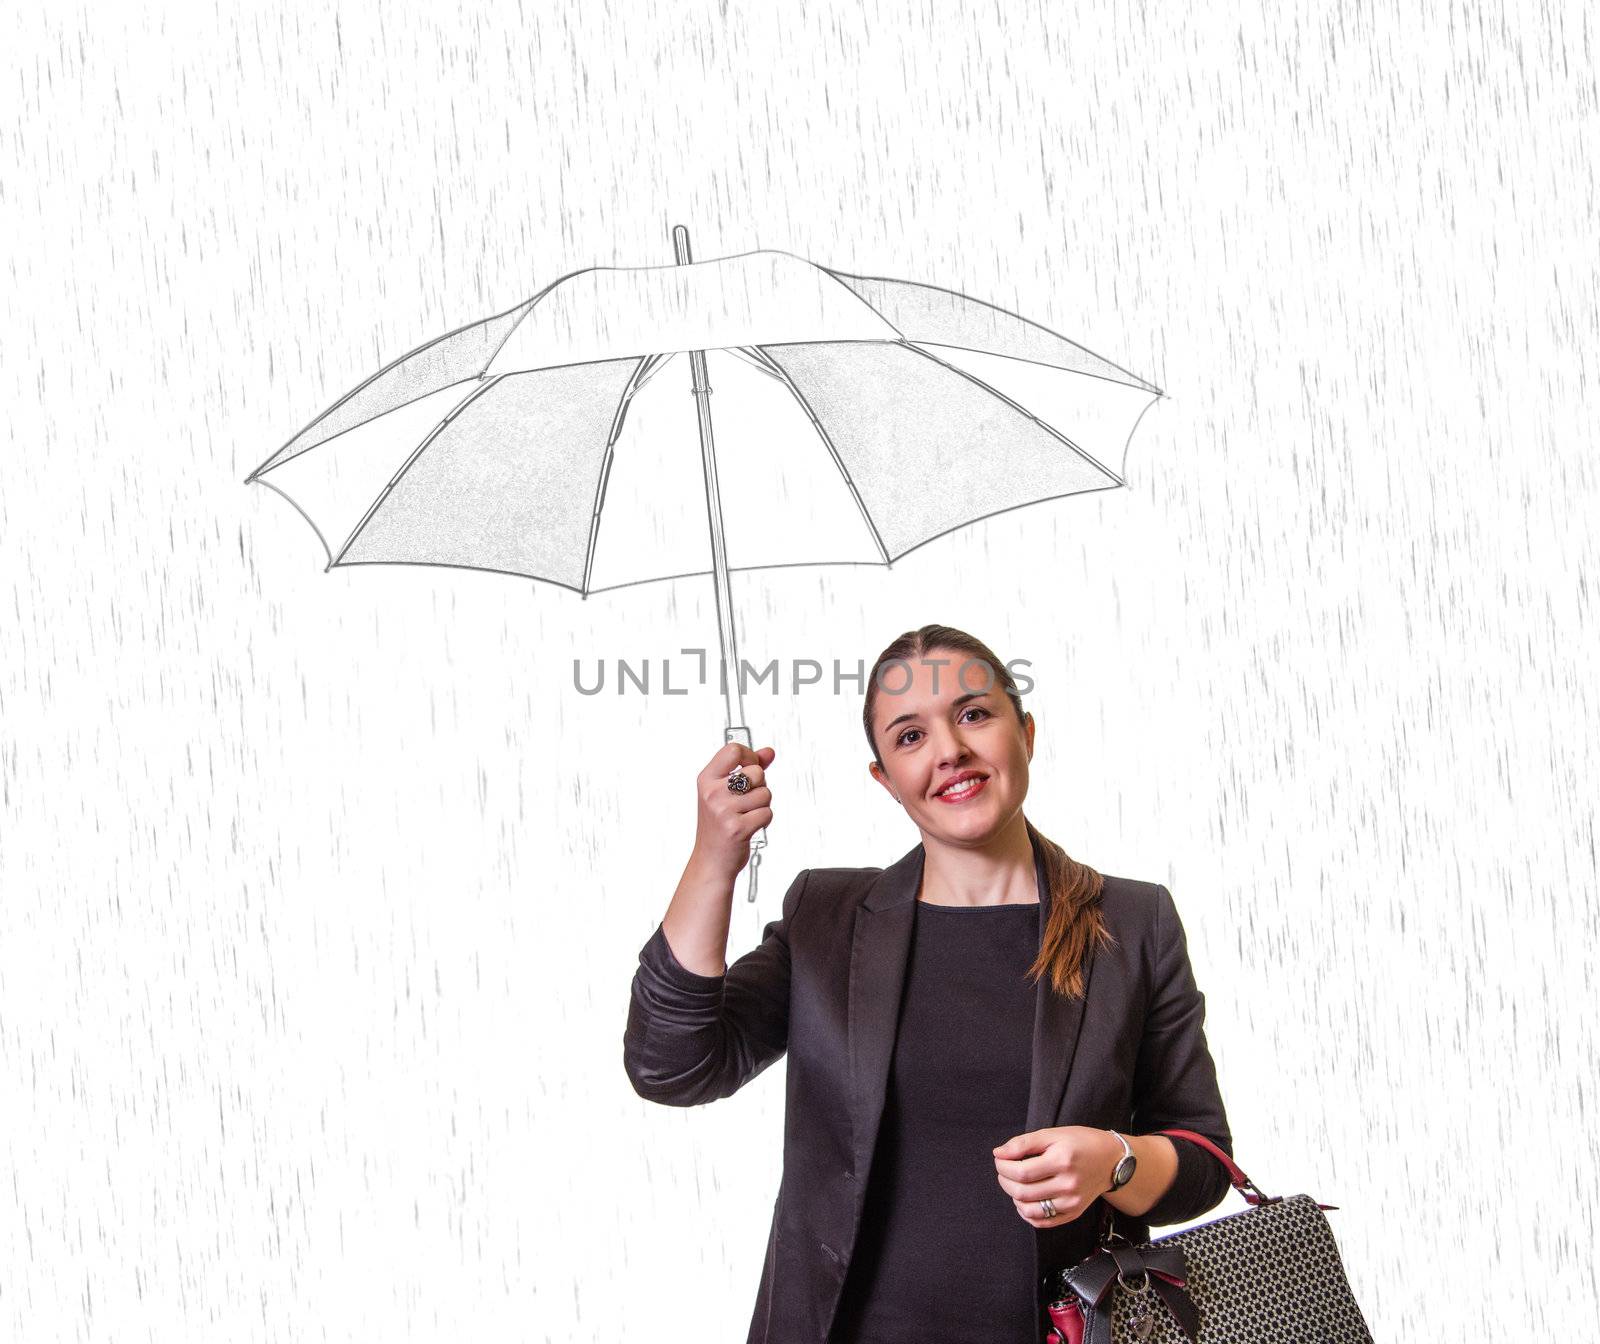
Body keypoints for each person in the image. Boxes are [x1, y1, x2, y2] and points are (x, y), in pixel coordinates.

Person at [624, 625, 1235, 1344]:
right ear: (884, 777)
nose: (950, 751)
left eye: (974, 714)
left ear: (1026, 734)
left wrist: (1115, 1160)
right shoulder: (827, 919)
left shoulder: (1132, 922)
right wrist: (714, 858)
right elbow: (672, 1066)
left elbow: (1204, 1161)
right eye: (910, 736)